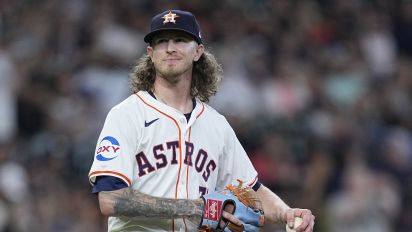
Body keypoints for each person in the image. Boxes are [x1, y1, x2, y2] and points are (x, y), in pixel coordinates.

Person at [88, 9, 315, 232]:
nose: (170, 48)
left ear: (198, 51)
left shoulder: (216, 125)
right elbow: (111, 199)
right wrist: (194, 207)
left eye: (180, 40)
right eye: (161, 41)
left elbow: (252, 189)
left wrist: (287, 213)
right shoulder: (127, 114)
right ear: (150, 52)